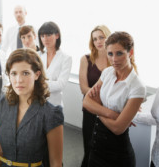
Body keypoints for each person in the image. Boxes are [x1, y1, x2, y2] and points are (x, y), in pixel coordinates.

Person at [0, 48, 64, 167]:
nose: (19, 80)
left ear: (37, 74)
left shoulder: (51, 113)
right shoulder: (3, 103)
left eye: (25, 73)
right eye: (14, 73)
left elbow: (55, 163)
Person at [83, 32, 146, 167]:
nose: (114, 59)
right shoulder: (107, 73)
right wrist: (112, 114)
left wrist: (98, 109)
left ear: (130, 52)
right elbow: (86, 102)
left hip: (117, 155)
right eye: (110, 54)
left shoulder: (137, 87)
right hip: (96, 147)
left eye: (119, 53)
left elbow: (118, 128)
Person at [78, 25, 111, 167]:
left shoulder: (115, 60)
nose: (98, 41)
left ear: (108, 37)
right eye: (95, 39)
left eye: (101, 37)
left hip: (109, 110)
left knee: (107, 149)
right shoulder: (85, 59)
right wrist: (99, 100)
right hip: (90, 109)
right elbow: (83, 88)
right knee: (90, 146)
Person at [38, 21, 72, 107]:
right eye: (42, 36)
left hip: (54, 105)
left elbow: (60, 85)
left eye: (48, 35)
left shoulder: (66, 58)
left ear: (57, 35)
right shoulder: (37, 55)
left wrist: (38, 84)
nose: (45, 39)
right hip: (36, 103)